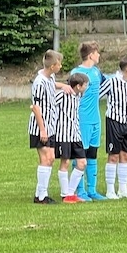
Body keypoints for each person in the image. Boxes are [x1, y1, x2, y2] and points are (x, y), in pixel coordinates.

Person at [100, 55, 127, 199]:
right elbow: (98, 94)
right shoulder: (112, 82)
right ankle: (110, 190)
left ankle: (123, 189)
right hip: (114, 121)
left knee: (126, 155)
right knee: (113, 155)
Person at [69, 41, 106, 201]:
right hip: (82, 120)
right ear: (91, 55)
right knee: (80, 155)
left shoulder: (96, 72)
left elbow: (107, 82)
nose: (99, 55)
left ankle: (92, 190)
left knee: (92, 154)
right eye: (97, 52)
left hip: (95, 120)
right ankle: (80, 190)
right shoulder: (76, 73)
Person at [28, 49, 63, 204]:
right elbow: (36, 107)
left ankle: (40, 193)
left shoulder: (50, 77)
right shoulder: (39, 82)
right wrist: (42, 129)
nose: (61, 66)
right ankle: (42, 196)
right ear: (52, 66)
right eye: (59, 64)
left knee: (51, 158)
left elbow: (53, 85)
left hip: (50, 125)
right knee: (46, 157)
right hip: (40, 127)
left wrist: (64, 86)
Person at [53, 73, 90, 203]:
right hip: (63, 135)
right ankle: (65, 195)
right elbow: (48, 104)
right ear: (78, 86)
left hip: (75, 134)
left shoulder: (78, 95)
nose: (87, 87)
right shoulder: (62, 95)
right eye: (85, 85)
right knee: (65, 162)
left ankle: (70, 193)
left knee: (82, 163)